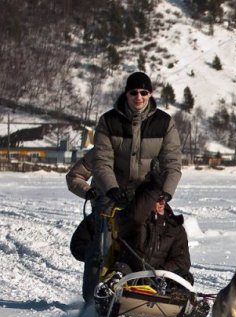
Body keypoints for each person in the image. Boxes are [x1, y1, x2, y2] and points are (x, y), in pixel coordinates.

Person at [92, 71, 182, 211]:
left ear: (150, 94)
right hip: (111, 193)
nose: (138, 97)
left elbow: (172, 163)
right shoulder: (108, 121)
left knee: (168, 229)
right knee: (102, 229)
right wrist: (111, 188)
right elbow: (102, 161)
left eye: (143, 92)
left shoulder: (164, 122)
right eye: (133, 92)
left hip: (146, 193)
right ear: (126, 94)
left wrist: (166, 193)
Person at [118, 182, 193, 285]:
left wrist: (160, 272)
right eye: (157, 200)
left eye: (164, 199)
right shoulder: (131, 222)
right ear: (145, 203)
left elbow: (182, 260)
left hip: (161, 280)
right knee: (118, 271)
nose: (162, 203)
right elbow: (136, 217)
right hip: (131, 276)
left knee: (185, 277)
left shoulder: (175, 227)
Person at [65, 147, 111, 303]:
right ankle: (92, 303)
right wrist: (88, 191)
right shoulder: (100, 150)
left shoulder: (146, 146)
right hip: (103, 213)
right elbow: (74, 176)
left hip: (138, 211)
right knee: (96, 252)